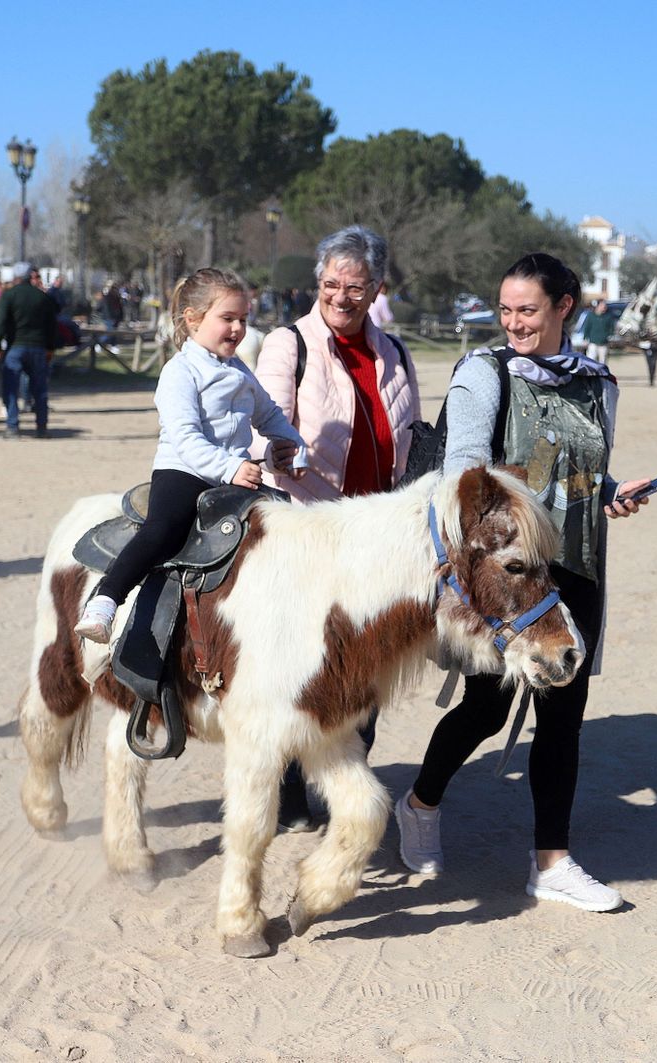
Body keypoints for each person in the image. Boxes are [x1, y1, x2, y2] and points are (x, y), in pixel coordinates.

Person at [394, 251, 657, 913]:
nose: (513, 321)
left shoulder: (600, 382)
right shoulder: (486, 374)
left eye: (527, 310)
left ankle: (553, 863)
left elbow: (578, 471)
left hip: (577, 565)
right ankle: (420, 804)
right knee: (483, 708)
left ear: (565, 306)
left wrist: (607, 492)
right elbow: (463, 477)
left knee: (563, 718)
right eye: (506, 308)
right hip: (507, 573)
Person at [254, 225, 422, 829]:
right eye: (330, 284)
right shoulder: (287, 344)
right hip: (311, 527)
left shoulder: (396, 355)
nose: (341, 297)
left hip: (377, 532)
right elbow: (267, 417)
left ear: (375, 288)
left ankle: (345, 765)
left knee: (369, 656)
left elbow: (412, 441)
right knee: (306, 660)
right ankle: (293, 791)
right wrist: (278, 450)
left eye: (354, 286)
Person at [74, 268, 308, 642]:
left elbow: (269, 415)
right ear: (193, 319)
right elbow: (185, 437)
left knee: (281, 522)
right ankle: (106, 598)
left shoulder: (240, 371)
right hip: (184, 472)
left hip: (233, 476)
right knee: (162, 531)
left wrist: (291, 444)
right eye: (227, 318)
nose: (237, 328)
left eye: (243, 319)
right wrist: (230, 466)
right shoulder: (179, 372)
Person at [0, 262, 59, 439]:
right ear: (31, 276)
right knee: (40, 389)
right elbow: (51, 326)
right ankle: (41, 427)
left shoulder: (9, 296)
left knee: (11, 387)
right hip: (38, 347)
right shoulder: (42, 297)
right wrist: (50, 348)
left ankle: (13, 426)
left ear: (15, 277)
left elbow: (0, 322)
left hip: (16, 346)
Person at [581, 297, 614, 363]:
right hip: (593, 343)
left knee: (603, 362)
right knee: (591, 361)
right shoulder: (591, 316)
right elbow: (587, 327)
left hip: (603, 343)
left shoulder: (608, 316)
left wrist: (609, 337)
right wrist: (585, 338)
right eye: (602, 305)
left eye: (605, 305)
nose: (604, 307)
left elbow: (611, 328)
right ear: (597, 306)